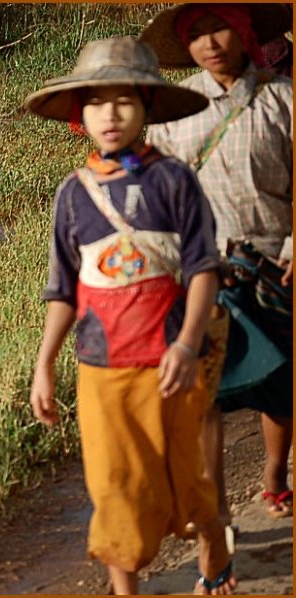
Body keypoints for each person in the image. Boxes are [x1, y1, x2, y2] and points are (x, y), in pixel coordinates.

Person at [24, 37, 235, 595]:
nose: (110, 115)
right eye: (96, 103)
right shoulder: (72, 196)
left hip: (170, 365)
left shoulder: (173, 183)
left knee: (187, 487)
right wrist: (45, 363)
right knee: (113, 488)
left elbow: (203, 270)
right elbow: (63, 290)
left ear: (145, 106)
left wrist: (188, 345)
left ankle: (212, 541)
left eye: (123, 101)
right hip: (102, 368)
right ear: (80, 115)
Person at [141, 3, 293, 524]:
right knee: (204, 391)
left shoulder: (284, 99)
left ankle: (274, 473)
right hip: (205, 272)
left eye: (220, 27)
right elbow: (159, 198)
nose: (210, 42)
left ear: (245, 31)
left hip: (277, 264)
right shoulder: (173, 113)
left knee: (282, 386)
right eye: (197, 34)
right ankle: (216, 508)